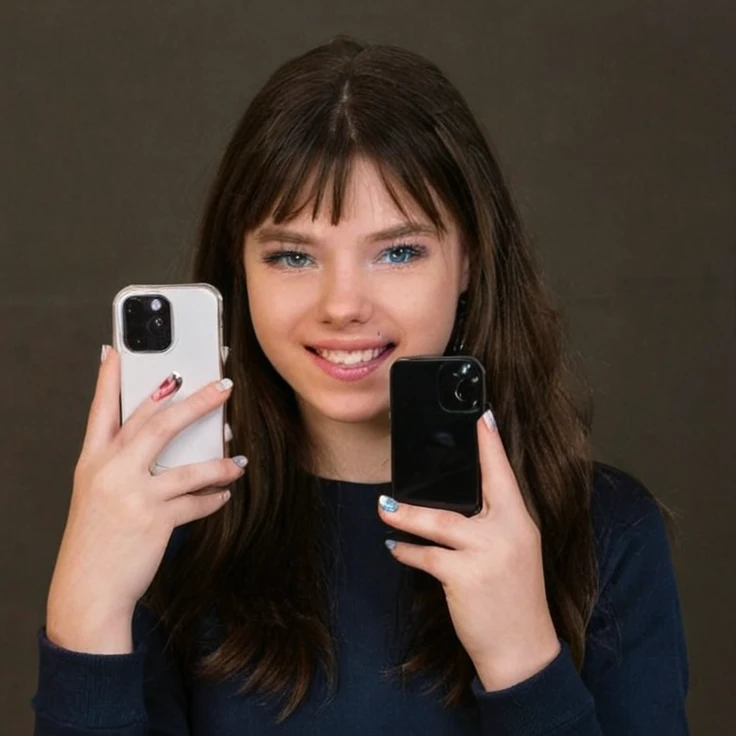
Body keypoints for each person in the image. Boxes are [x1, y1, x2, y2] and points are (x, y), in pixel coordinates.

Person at [31, 37, 690, 735]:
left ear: (469, 260)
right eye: (291, 255)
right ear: (240, 271)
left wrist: (524, 659)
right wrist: (86, 614)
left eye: (398, 251)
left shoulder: (605, 531)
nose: (342, 304)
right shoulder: (162, 528)